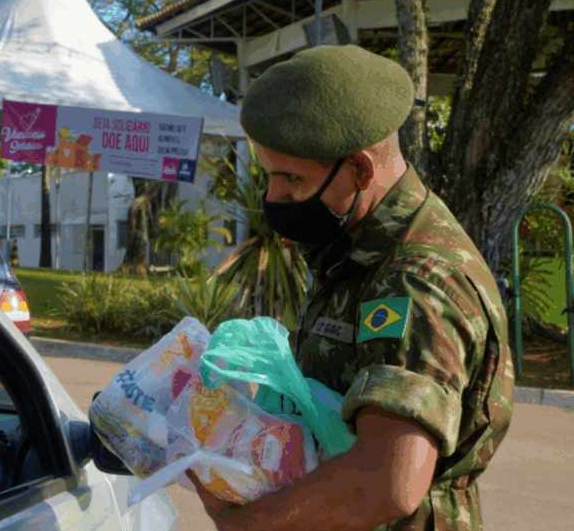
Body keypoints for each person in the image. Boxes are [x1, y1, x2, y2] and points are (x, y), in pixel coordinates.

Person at [186, 45, 514, 530]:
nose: (274, 197)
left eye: (292, 178)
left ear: (360, 169)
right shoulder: (357, 248)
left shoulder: (415, 280)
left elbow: (384, 482)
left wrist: (247, 524)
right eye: (269, 175)